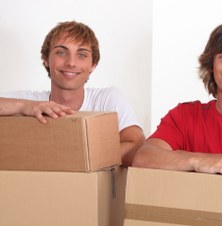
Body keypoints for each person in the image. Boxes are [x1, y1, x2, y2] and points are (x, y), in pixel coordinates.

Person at [132, 21, 222, 188]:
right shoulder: (184, 115)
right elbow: (143, 157)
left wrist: (180, 158)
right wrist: (198, 162)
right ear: (211, 65)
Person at [0, 21, 145, 167]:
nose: (71, 63)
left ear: (93, 65)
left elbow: (137, 146)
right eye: (61, 52)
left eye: (82, 55)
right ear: (46, 60)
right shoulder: (32, 103)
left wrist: (72, 160)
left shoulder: (107, 99)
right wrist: (23, 106)